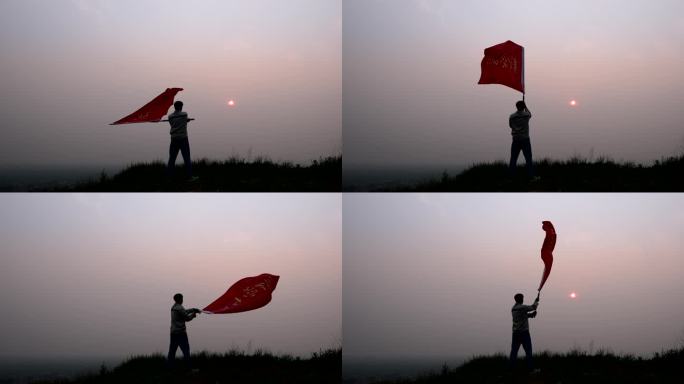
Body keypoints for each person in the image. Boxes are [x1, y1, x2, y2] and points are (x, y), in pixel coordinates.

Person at [167, 101, 197, 180]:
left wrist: (185, 121)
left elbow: (173, 123)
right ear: (181, 106)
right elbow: (184, 120)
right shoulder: (184, 114)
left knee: (172, 158)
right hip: (183, 139)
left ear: (174, 107)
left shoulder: (170, 116)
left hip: (174, 139)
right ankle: (190, 176)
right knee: (187, 158)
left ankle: (169, 176)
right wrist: (186, 120)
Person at [168, 293, 201, 364]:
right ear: (180, 299)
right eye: (182, 298)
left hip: (173, 333)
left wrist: (193, 309)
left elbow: (184, 312)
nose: (183, 300)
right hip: (181, 333)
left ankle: (169, 367)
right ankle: (188, 368)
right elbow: (187, 318)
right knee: (186, 350)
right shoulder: (180, 308)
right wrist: (193, 315)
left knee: (172, 351)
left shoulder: (174, 307)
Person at [510, 292, 539, 371]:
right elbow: (533, 307)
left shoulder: (513, 308)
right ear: (520, 299)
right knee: (528, 351)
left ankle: (511, 369)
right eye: (522, 298)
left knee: (514, 352)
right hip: (524, 333)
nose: (523, 299)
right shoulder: (522, 307)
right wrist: (537, 301)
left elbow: (523, 316)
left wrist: (531, 315)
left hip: (515, 333)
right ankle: (530, 369)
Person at [508, 100, 536, 178]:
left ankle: (511, 176)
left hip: (515, 139)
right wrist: (525, 106)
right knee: (528, 158)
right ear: (523, 107)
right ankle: (530, 176)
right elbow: (530, 114)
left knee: (513, 159)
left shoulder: (512, 116)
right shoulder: (526, 115)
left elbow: (510, 126)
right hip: (525, 139)